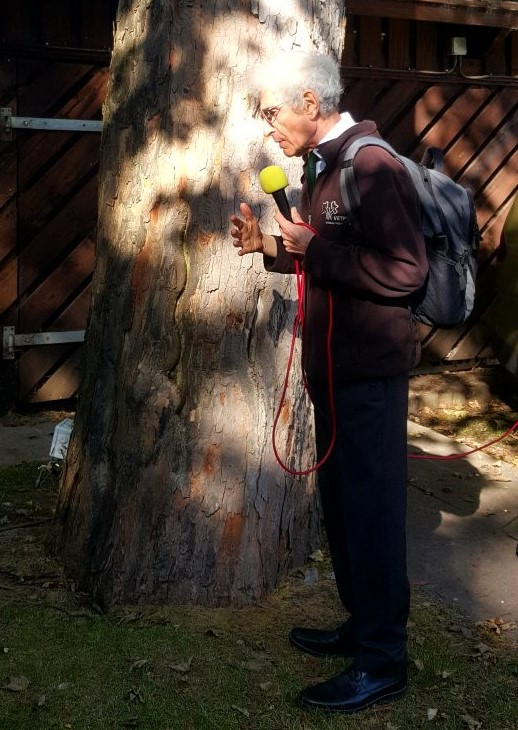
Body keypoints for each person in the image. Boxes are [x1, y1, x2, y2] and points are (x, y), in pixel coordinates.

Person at [230, 50, 428, 714]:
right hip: (332, 373)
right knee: (344, 514)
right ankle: (360, 627)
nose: (269, 129)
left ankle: (383, 661)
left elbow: (405, 272)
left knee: (372, 517)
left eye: (272, 113)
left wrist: (317, 250)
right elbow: (325, 255)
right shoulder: (320, 168)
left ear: (309, 103)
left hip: (369, 374)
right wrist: (268, 246)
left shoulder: (371, 164)